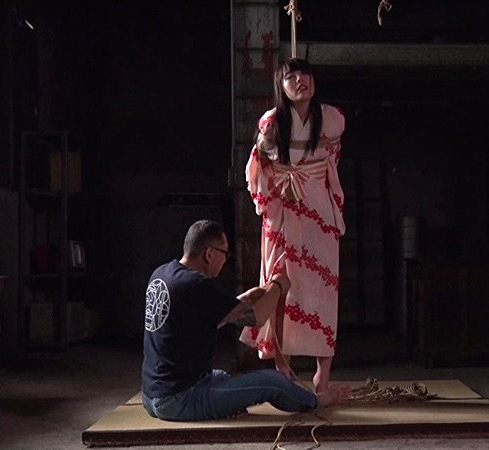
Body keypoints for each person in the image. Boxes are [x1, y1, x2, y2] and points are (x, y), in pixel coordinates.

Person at [142, 219, 347, 421]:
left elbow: (212, 317)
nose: (225, 260)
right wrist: (278, 285)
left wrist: (246, 298)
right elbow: (256, 318)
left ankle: (224, 405)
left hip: (153, 396)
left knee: (221, 376)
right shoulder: (196, 284)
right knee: (272, 382)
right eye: (225, 253)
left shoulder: (163, 274)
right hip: (181, 399)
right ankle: (317, 401)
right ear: (209, 254)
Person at [239, 58, 346, 395]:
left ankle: (322, 375)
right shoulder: (272, 122)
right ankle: (282, 367)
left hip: (318, 211)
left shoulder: (331, 118)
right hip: (283, 210)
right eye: (292, 76)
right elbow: (258, 165)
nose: (301, 80)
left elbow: (332, 159)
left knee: (322, 289)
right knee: (279, 288)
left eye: (306, 74)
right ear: (281, 86)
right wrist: (275, 186)